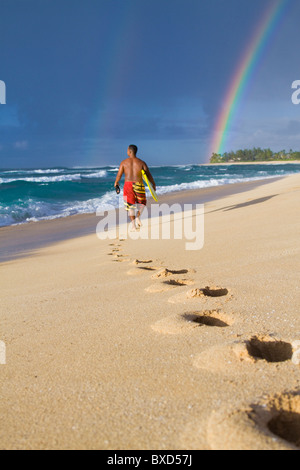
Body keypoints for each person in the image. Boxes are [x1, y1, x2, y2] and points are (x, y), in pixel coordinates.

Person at [114, 145, 156, 231]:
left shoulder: (124, 162)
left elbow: (119, 175)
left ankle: (133, 225)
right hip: (139, 184)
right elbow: (148, 175)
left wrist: (116, 182)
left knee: (130, 205)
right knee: (142, 202)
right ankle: (138, 217)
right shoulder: (141, 162)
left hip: (128, 185)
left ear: (129, 151)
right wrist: (153, 184)